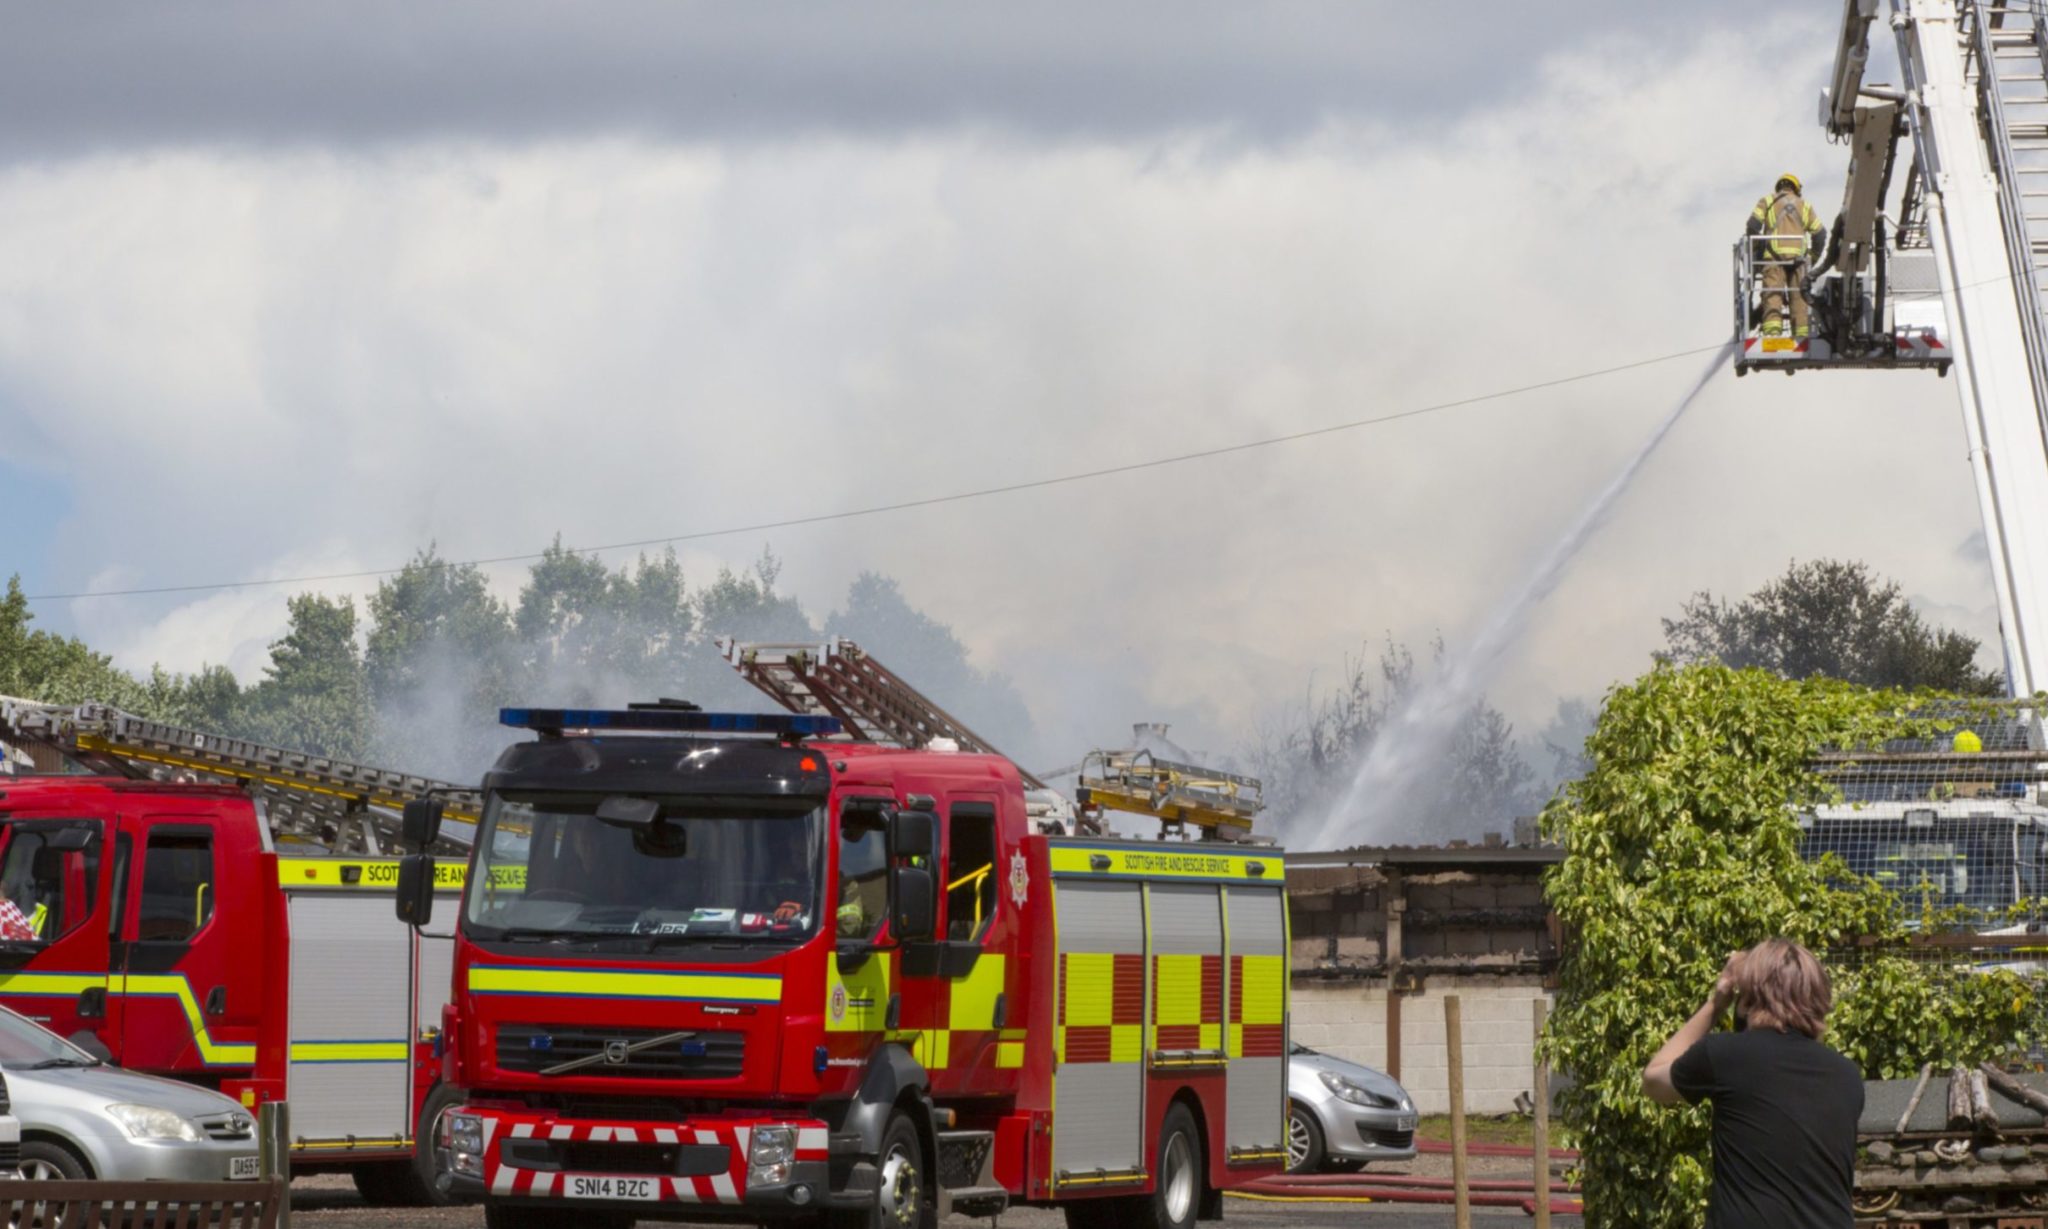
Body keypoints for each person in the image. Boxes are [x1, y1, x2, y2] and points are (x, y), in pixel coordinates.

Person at [1643, 939, 1864, 1229]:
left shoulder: (1725, 1055)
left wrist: (1717, 1002)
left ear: (1748, 997)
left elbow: (1653, 1080)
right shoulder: (1848, 1076)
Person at [1747, 174, 1827, 338]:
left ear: (1779, 187)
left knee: (1772, 297)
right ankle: (1802, 337)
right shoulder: (1805, 206)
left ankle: (1772, 335)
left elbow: (1752, 226)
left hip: (1773, 261)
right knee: (1799, 300)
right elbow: (1820, 234)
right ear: (1796, 189)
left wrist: (1756, 252)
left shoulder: (1767, 201)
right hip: (1799, 263)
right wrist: (1812, 259)